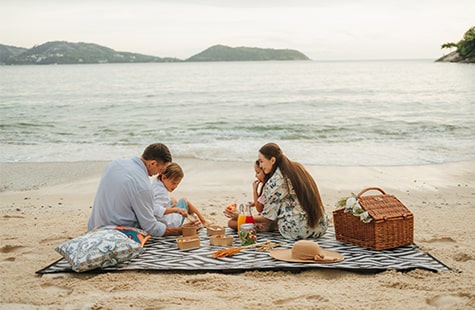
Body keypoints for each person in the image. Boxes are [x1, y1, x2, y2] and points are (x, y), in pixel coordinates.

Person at [227, 143, 328, 240]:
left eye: (261, 161)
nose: (261, 166)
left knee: (234, 223)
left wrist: (242, 216)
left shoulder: (275, 181)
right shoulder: (297, 168)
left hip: (296, 231)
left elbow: (267, 218)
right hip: (320, 226)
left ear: (272, 160)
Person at [87, 143, 183, 237]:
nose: (159, 174)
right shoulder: (143, 186)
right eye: (161, 170)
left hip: (94, 227)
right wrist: (179, 231)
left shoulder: (115, 163)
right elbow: (151, 227)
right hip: (117, 234)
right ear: (152, 163)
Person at [151, 162, 207, 227]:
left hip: (160, 219)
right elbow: (156, 210)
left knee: (173, 200)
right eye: (174, 183)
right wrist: (176, 210)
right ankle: (204, 221)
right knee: (184, 200)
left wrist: (170, 208)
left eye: (177, 184)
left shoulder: (156, 183)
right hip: (169, 224)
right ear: (163, 178)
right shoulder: (161, 192)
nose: (175, 186)